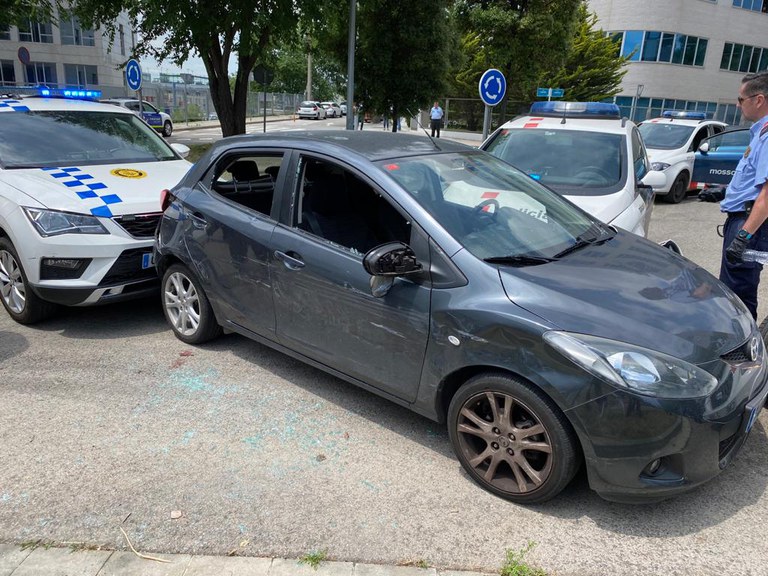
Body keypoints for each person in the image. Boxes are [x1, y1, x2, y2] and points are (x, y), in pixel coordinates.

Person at [700, 71, 768, 319]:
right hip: (742, 220)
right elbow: (751, 182)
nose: (738, 105)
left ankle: (744, 341)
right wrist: (724, 192)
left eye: (741, 99)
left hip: (748, 224)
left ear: (758, 100)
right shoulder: (759, 133)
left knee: (739, 294)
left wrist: (743, 236)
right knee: (731, 287)